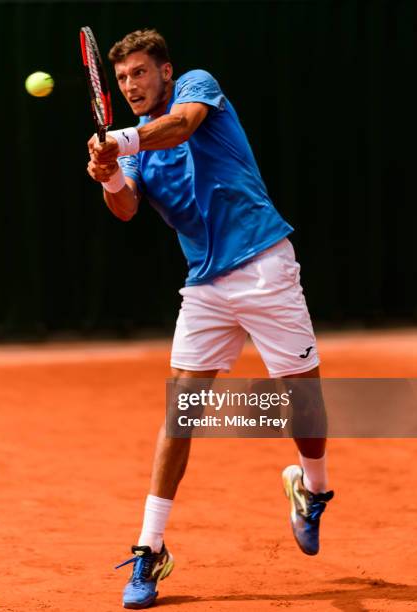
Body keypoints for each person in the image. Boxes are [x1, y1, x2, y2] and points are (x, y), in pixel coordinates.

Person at [87, 28, 334, 610]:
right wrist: (110, 176)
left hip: (265, 265)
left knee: (307, 407)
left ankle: (313, 489)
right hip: (205, 287)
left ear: (165, 72)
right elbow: (125, 208)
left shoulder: (196, 87)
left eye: (141, 73)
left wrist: (118, 142)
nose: (131, 86)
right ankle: (150, 548)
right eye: (122, 79)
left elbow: (182, 127)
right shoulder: (140, 152)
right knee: (183, 411)